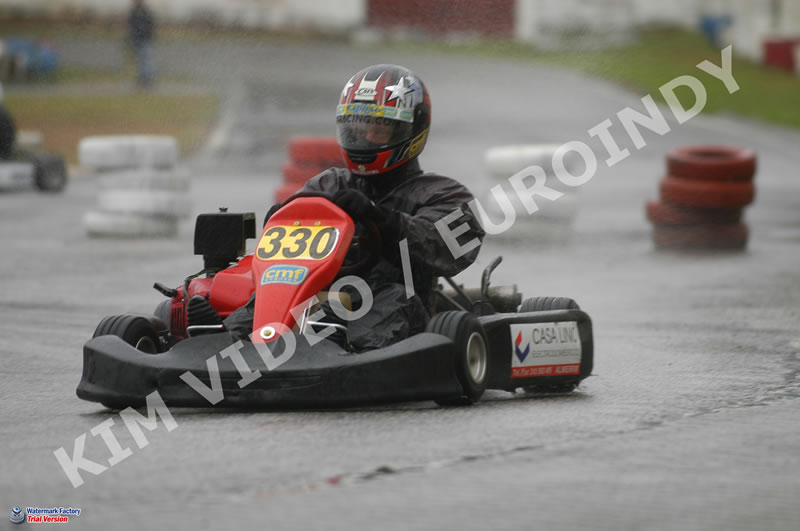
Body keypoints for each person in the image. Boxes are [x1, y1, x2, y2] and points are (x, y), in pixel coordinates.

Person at [222, 64, 485, 351]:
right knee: (252, 308)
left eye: (378, 130)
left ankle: (337, 352)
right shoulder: (329, 185)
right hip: (312, 299)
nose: (365, 138)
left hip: (392, 306)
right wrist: (280, 218)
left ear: (411, 130)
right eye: (357, 128)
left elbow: (443, 247)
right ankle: (223, 341)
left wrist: (380, 218)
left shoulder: (443, 193)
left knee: (392, 298)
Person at [127, 0, 155, 87]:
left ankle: (147, 79)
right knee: (142, 61)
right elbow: (131, 26)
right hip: (139, 40)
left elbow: (149, 25)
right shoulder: (136, 13)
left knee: (145, 61)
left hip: (144, 40)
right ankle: (143, 78)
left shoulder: (142, 13)